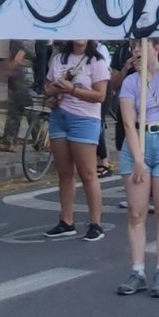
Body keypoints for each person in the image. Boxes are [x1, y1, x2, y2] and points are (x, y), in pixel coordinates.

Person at [116, 35, 159, 297]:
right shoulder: (130, 82)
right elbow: (128, 122)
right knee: (136, 213)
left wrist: (156, 25)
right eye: (133, 47)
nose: (136, 50)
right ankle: (137, 270)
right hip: (139, 142)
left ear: (156, 48)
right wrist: (138, 158)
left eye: (142, 45)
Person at [44, 39, 110, 242]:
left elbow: (100, 95)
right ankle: (66, 221)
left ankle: (95, 223)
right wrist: (57, 89)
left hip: (84, 118)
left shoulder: (96, 61)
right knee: (64, 172)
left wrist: (72, 89)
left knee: (88, 172)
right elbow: (47, 88)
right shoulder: (59, 59)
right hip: (60, 116)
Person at [0, 39, 35, 151]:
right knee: (29, 108)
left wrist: (8, 70)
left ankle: (8, 141)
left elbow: (18, 57)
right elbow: (20, 56)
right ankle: (39, 139)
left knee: (15, 109)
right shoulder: (27, 38)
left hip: (18, 73)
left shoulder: (20, 37)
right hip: (24, 73)